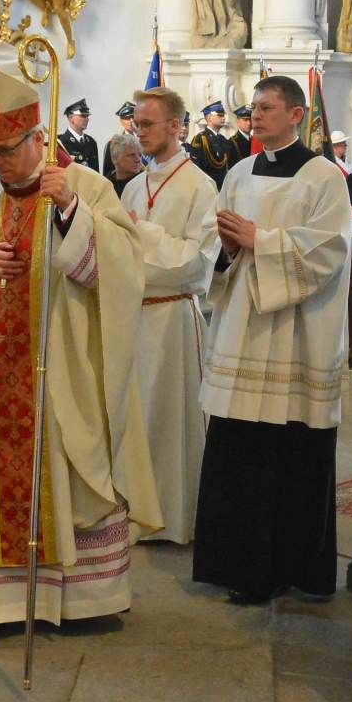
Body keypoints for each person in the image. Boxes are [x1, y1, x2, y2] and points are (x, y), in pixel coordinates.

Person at [0, 60, 161, 640]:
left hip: (67, 368)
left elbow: (127, 267)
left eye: (7, 150)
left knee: (72, 474)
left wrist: (72, 214)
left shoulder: (86, 186)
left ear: (38, 139)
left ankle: (86, 601)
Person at [193, 75, 350, 604]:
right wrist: (230, 249)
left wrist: (259, 240)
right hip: (242, 327)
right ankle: (228, 559)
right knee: (237, 447)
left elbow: (329, 252)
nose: (256, 116)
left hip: (294, 333)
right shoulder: (237, 172)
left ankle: (281, 567)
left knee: (283, 451)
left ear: (297, 114)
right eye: (253, 108)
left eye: (267, 107)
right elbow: (221, 245)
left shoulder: (324, 176)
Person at [122, 87, 219, 545]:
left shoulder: (201, 186)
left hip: (173, 321)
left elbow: (195, 262)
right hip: (131, 320)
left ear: (176, 126)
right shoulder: (131, 186)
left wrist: (138, 236)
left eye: (147, 124)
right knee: (134, 419)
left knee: (170, 422)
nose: (138, 132)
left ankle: (176, 519)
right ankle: (134, 512)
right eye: (136, 124)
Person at [189, 100, 237, 188]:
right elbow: (197, 168)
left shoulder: (223, 139)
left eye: (223, 115)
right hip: (209, 186)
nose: (223, 118)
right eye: (220, 115)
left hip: (224, 186)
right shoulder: (200, 139)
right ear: (210, 117)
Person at [57, 98, 100, 172]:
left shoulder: (91, 142)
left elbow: (96, 172)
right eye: (83, 116)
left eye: (87, 116)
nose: (87, 119)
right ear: (71, 118)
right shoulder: (61, 142)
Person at [104, 131, 144, 198]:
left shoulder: (145, 183)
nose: (138, 160)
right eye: (131, 155)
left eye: (140, 155)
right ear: (115, 158)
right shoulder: (105, 185)